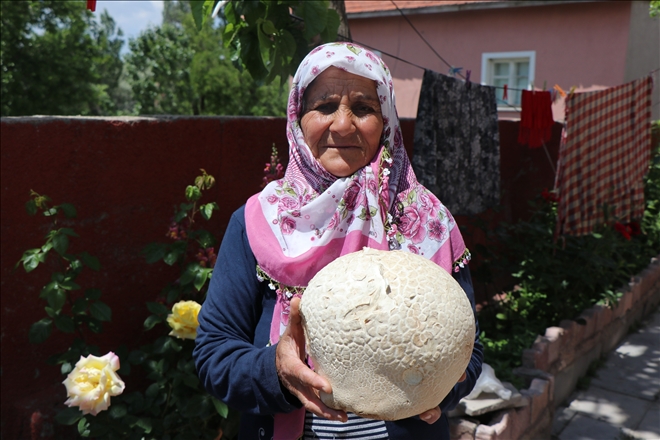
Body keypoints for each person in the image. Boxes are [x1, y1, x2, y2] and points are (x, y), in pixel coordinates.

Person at [194, 42, 483, 440]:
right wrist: (277, 372)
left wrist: (446, 388)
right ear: (298, 116)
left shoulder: (428, 221)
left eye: (363, 108)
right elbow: (214, 354)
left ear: (387, 121)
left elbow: (468, 345)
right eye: (325, 106)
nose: (343, 125)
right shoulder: (257, 222)